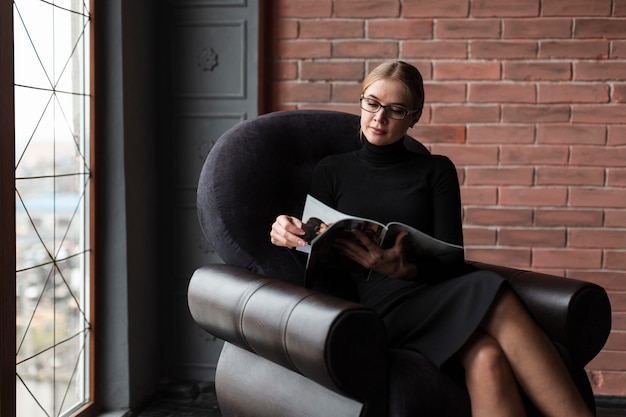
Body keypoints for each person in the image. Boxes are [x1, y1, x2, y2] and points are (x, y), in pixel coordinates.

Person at [269, 60, 592, 417]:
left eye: (396, 110)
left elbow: (452, 260)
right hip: (382, 308)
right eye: (372, 103)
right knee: (491, 290)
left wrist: (403, 269)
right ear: (361, 101)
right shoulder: (332, 170)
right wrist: (290, 236)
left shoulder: (437, 170)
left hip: (433, 291)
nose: (379, 117)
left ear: (414, 117)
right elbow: (320, 263)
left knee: (487, 357)